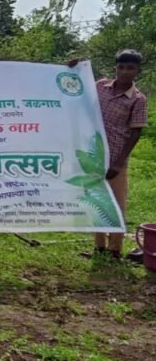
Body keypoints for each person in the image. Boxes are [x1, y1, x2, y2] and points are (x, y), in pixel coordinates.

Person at [71, 51, 149, 260]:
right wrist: (73, 70)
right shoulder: (101, 86)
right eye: (121, 67)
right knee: (96, 200)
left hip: (116, 158)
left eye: (130, 68)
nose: (124, 72)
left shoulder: (138, 99)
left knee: (115, 203)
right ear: (116, 68)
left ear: (137, 71)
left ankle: (115, 249)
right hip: (93, 155)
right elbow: (78, 91)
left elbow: (135, 132)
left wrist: (118, 162)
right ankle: (99, 247)